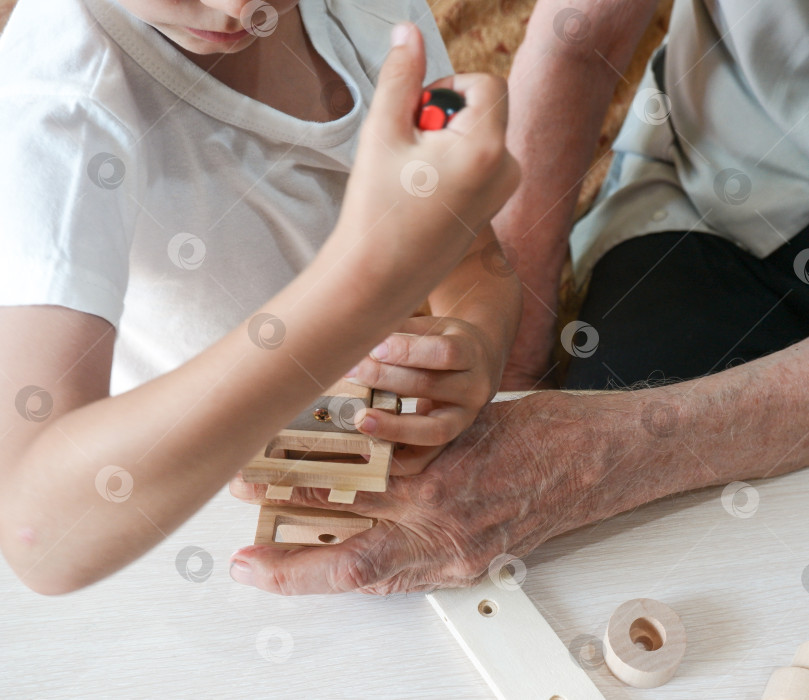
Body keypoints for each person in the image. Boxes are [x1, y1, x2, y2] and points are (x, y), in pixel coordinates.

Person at [227, 0, 809, 595]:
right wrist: (509, 366)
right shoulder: (396, 43)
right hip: (729, 189)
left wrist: (590, 454)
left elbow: (465, 241)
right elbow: (574, 47)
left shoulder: (384, 30)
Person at [0, 0, 520, 594]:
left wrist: (477, 339)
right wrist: (367, 279)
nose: (240, 6)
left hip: (367, 480)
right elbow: (37, 537)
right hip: (169, 532)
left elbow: (473, 254)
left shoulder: (379, 17)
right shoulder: (57, 109)